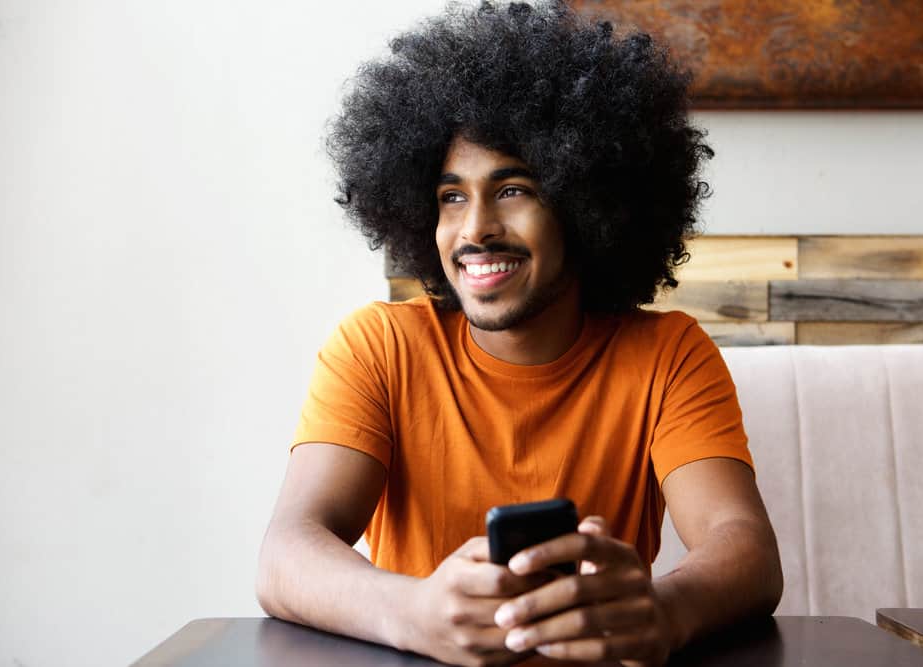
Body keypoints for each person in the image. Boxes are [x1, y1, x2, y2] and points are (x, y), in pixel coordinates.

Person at [255, 2, 783, 665]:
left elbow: (746, 547)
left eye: (512, 190)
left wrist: (663, 611)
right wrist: (415, 613)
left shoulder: (667, 354)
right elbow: (285, 553)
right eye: (451, 196)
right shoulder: (378, 347)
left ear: (587, 204)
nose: (474, 229)